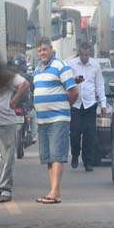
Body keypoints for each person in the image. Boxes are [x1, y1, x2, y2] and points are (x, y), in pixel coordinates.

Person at [32, 37, 78, 204]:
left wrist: (64, 108)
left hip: (59, 118)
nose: (42, 53)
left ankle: (55, 191)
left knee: (57, 155)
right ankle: (53, 191)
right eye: (40, 50)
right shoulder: (37, 70)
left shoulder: (60, 66)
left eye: (45, 49)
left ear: (51, 49)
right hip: (43, 120)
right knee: (49, 157)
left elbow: (73, 91)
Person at [0, 67, 30, 203]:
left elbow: (25, 84)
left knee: (7, 159)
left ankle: (5, 189)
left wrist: (14, 100)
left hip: (7, 124)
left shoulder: (7, 76)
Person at [68, 42, 107, 172]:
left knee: (89, 134)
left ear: (90, 53)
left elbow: (100, 85)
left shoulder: (95, 65)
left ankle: (88, 161)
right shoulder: (71, 64)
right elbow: (66, 81)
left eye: (87, 54)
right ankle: (74, 154)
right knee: (74, 132)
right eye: (82, 55)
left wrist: (103, 104)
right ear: (79, 53)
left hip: (90, 104)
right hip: (75, 104)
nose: (85, 57)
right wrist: (75, 80)